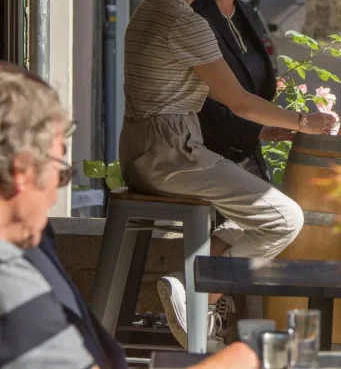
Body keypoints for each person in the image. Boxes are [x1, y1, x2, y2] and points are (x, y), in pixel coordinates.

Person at [121, 0, 334, 351]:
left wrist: (271, 131)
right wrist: (302, 122)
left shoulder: (149, 9)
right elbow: (237, 101)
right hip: (172, 155)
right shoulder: (188, 23)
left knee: (247, 212)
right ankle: (196, 292)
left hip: (138, 150)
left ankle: (193, 292)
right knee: (284, 219)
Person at [0, 63, 259, 369]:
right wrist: (232, 363)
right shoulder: (8, 275)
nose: (56, 196)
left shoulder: (27, 244)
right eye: (62, 173)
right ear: (22, 171)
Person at [193, 0, 286, 183]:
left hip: (245, 147)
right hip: (208, 150)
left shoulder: (245, 11)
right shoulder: (196, 12)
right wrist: (298, 121)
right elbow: (198, 99)